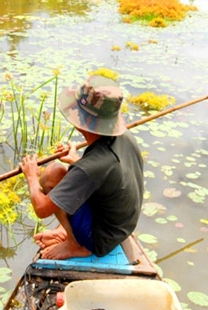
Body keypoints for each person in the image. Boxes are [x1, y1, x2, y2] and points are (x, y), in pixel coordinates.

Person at [20, 75, 144, 260]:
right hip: (121, 225)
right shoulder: (125, 136)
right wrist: (75, 160)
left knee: (53, 174)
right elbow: (106, 174)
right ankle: (67, 230)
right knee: (65, 178)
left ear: (84, 122)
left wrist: (31, 176)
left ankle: (76, 245)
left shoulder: (91, 167)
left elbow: (41, 209)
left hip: (102, 239)